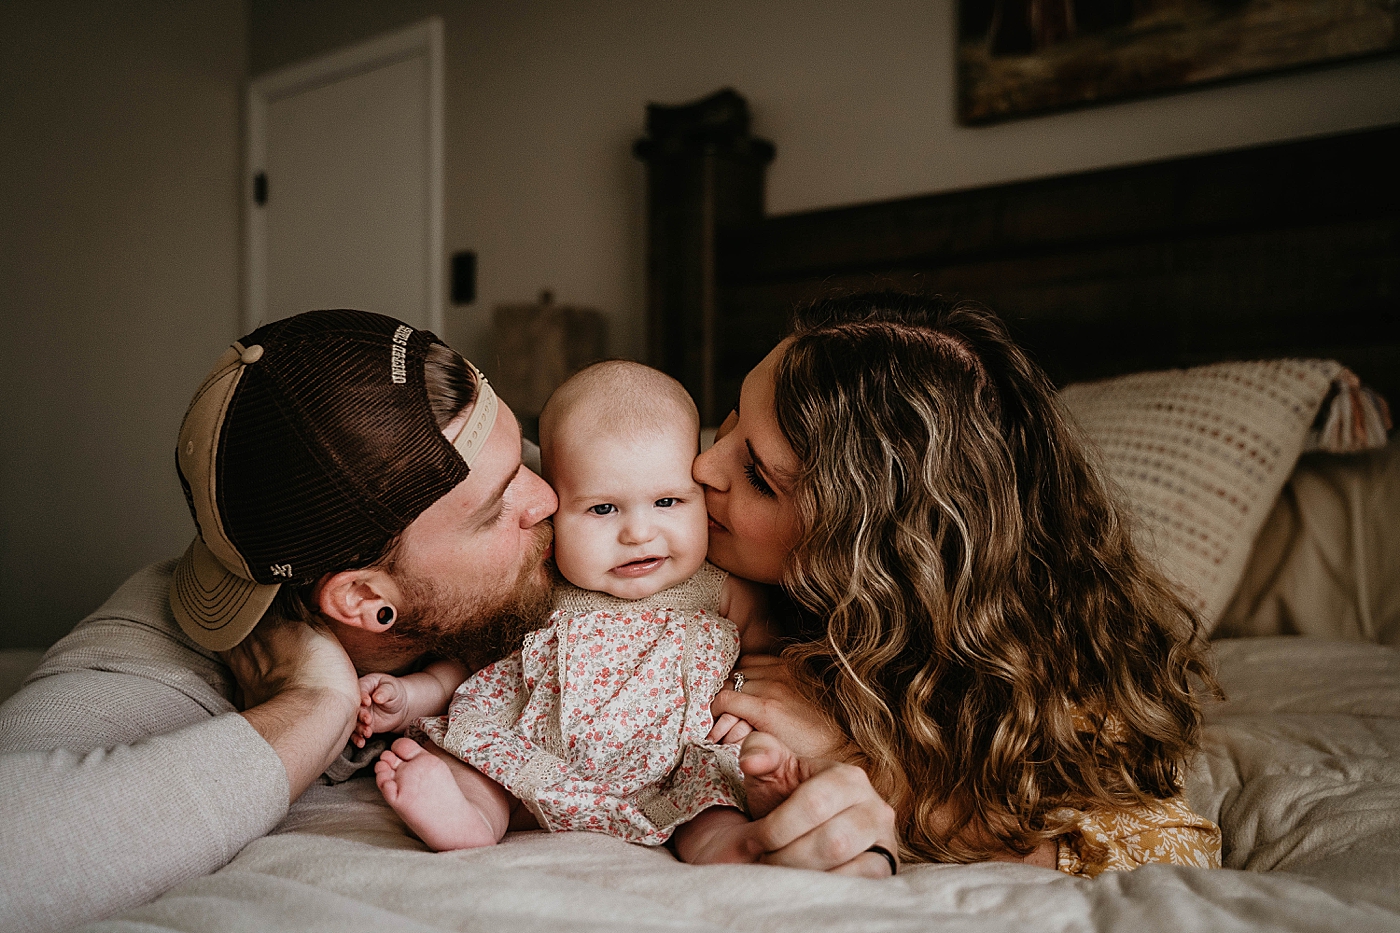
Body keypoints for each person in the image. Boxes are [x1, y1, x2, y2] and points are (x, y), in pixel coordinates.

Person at [0, 311, 897, 933]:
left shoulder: (595, 514)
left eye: (526, 455)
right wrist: (316, 699)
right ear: (363, 600)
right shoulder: (150, 652)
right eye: (502, 501)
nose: (549, 495)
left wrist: (837, 712)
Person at [696, 292, 1222, 876]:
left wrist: (860, 763)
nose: (702, 467)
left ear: (875, 540)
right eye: (729, 420)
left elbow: (1173, 854)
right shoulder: (680, 543)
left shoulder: (1040, 661)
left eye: (756, 476)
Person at [354, 360, 782, 863]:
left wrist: (743, 702)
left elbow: (775, 656)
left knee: (713, 799)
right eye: (603, 509)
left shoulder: (717, 588)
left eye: (667, 501)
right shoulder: (540, 587)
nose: (639, 534)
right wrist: (409, 696)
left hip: (671, 758)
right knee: (482, 760)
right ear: (554, 506)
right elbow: (476, 669)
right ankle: (469, 816)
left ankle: (732, 847)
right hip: (539, 751)